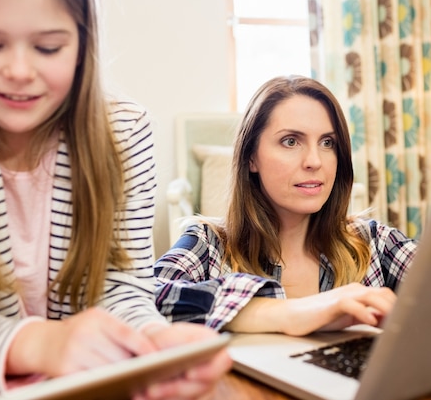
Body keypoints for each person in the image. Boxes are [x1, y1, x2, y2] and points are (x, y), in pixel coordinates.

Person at [0, 0, 230, 398]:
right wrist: (40, 343)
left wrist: (150, 340)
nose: (21, 71)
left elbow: (122, 286)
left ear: (83, 43)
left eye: (48, 48)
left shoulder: (122, 134)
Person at [154, 75, 417, 335]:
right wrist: (287, 314)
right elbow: (145, 297)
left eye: (327, 143)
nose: (314, 161)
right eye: (291, 141)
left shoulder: (374, 242)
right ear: (251, 158)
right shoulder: (210, 245)